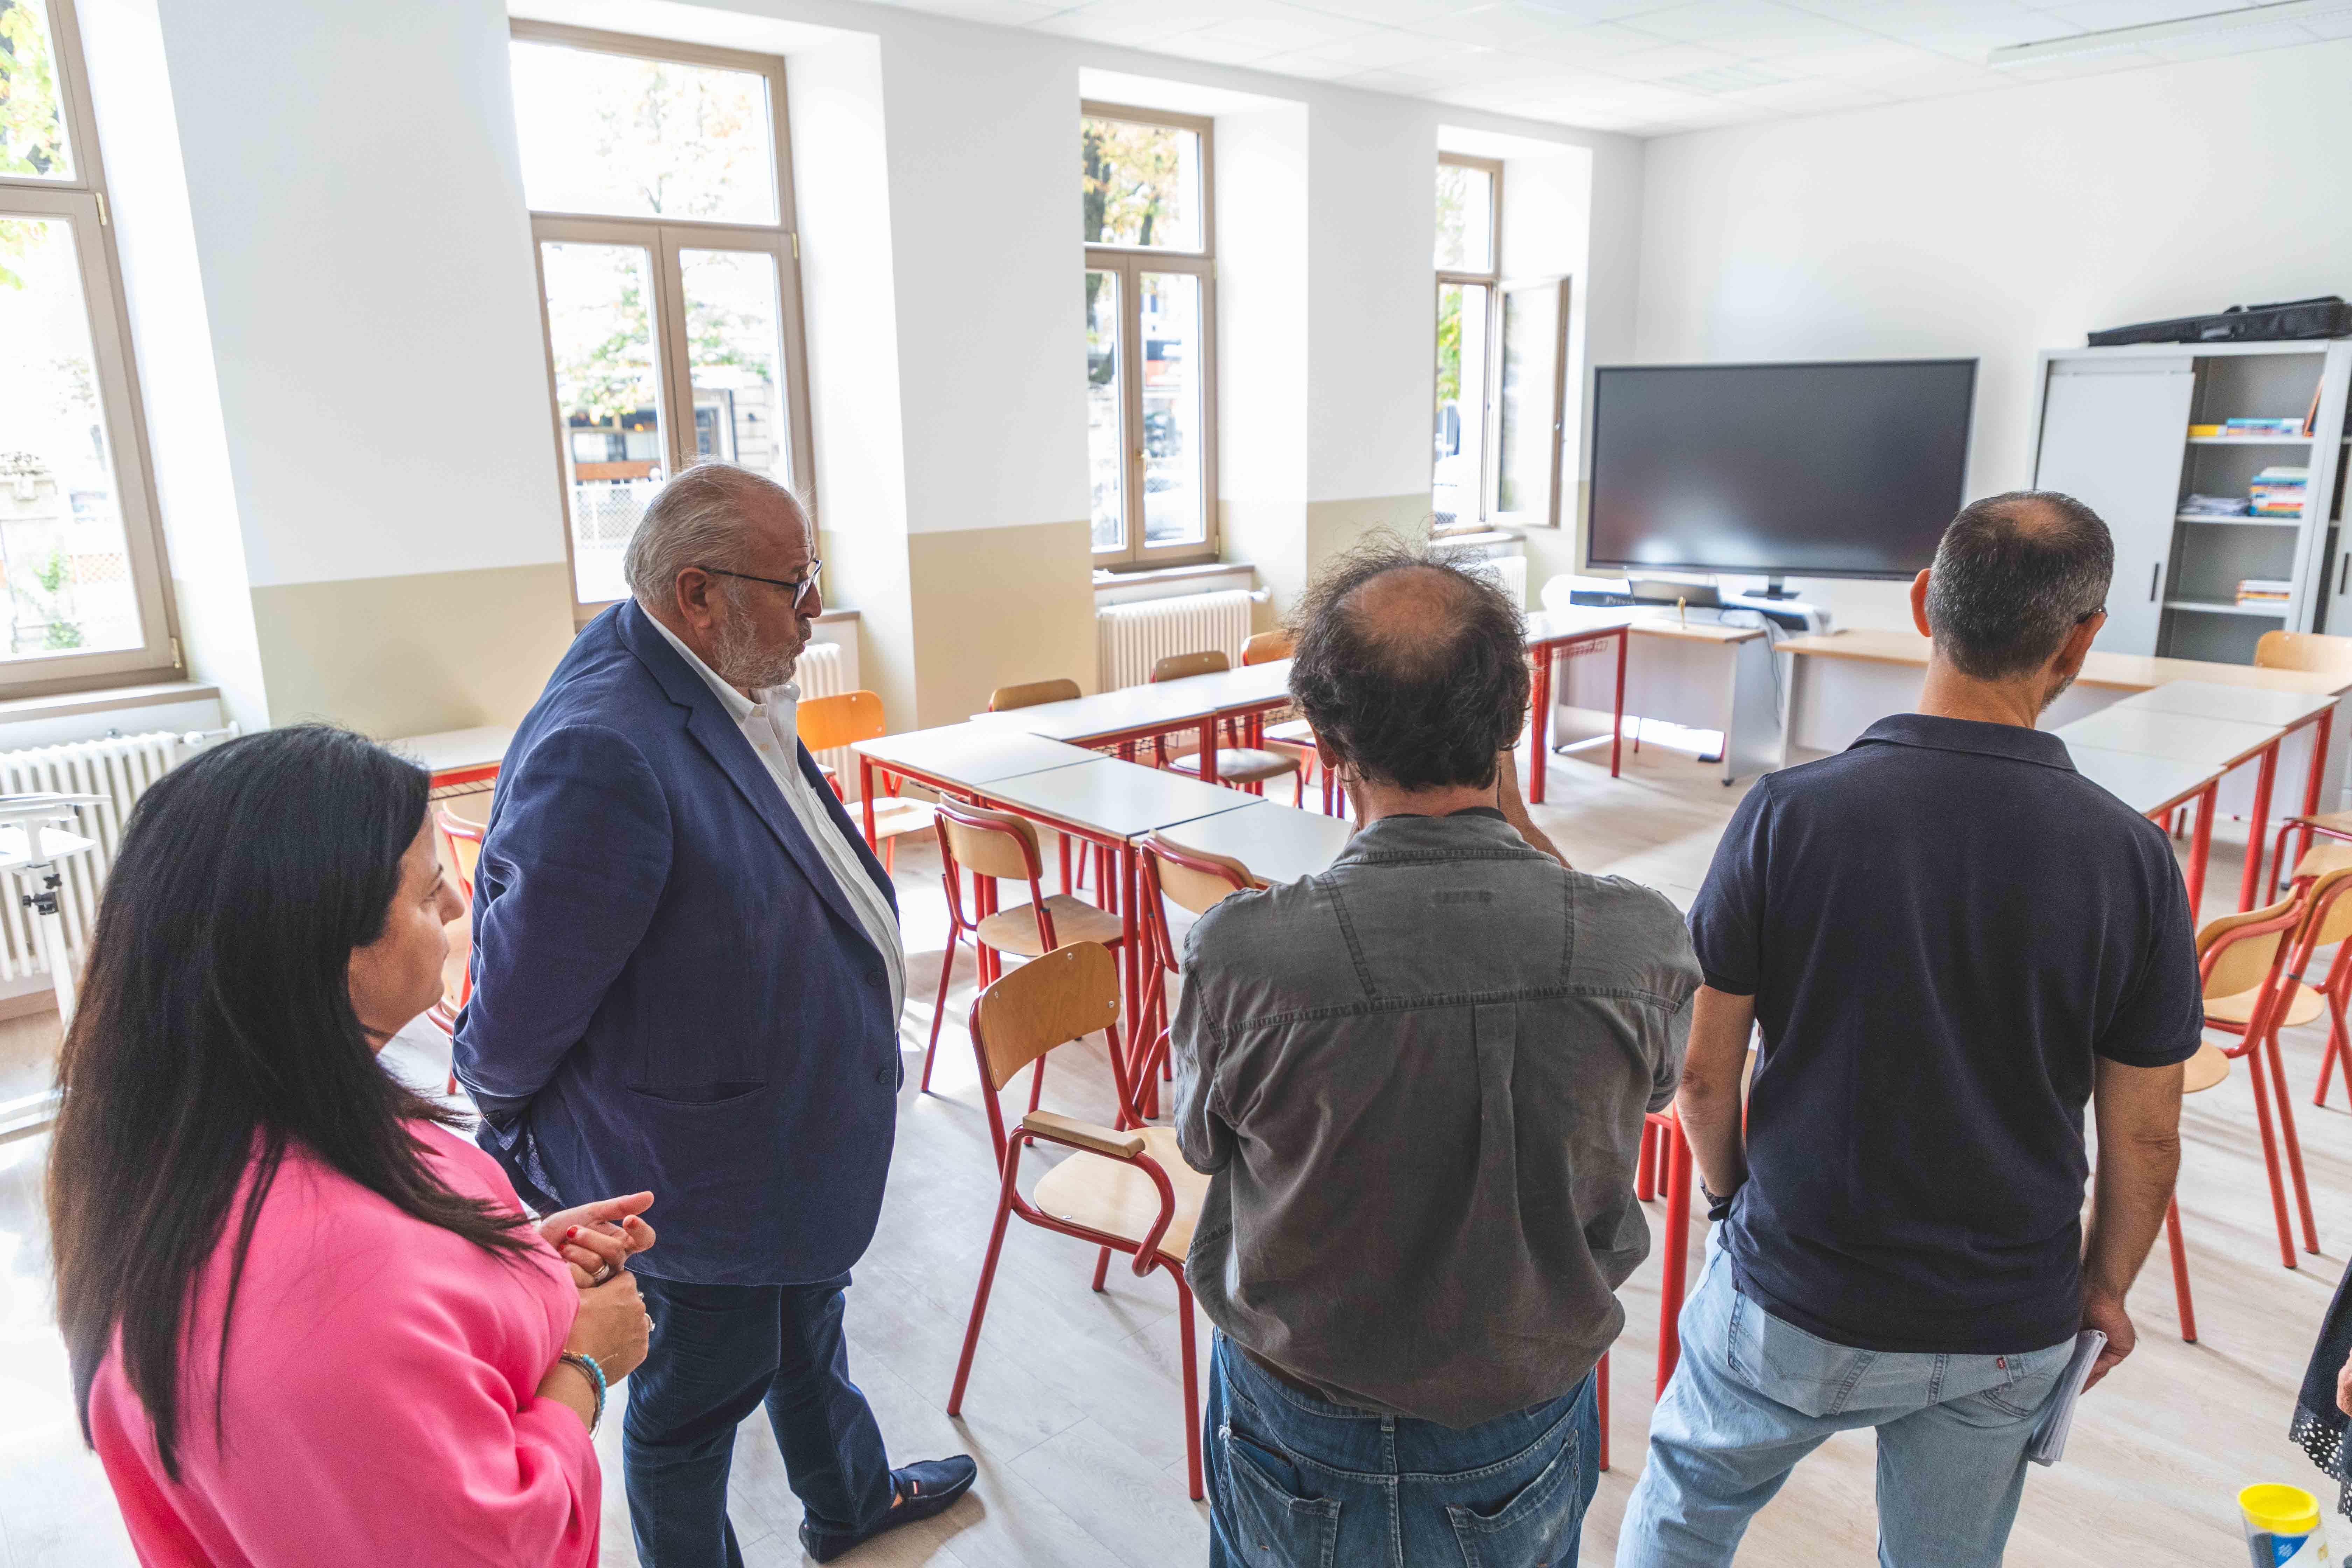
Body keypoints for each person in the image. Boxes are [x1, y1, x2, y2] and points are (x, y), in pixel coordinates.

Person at [1619, 491, 2203, 1567]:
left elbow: (1703, 1078)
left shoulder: (1787, 815)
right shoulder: (2134, 861)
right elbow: (2148, 1136)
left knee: (1684, 1518)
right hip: (2006, 1321)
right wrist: (2104, 1288)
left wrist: (1728, 1203)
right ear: (2082, 642)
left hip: (1796, 1287)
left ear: (1927, 602)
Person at [454, 461, 973, 1566]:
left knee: (805, 1342)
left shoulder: (707, 675)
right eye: (795, 585)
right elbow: (516, 1006)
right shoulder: (605, 746)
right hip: (698, 1174)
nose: (814, 610)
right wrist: (513, 1130)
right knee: (695, 1408)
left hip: (782, 1149)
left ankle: (850, 1503)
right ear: (698, 593)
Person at [1171, 540, 1701, 1567]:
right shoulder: (1638, 941)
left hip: (1298, 1408)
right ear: (1515, 723)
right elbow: (1661, 1088)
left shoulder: (1244, 951)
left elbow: (1201, 1144)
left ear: (1324, 740)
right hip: (1520, 1404)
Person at [51, 724, 655, 1566]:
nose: (453, 906)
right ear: (329, 948)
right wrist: (583, 1366)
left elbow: (408, 1323)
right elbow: (492, 1543)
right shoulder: (323, 1286)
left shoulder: (207, 1130)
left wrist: (520, 1266)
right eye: (427, 890)